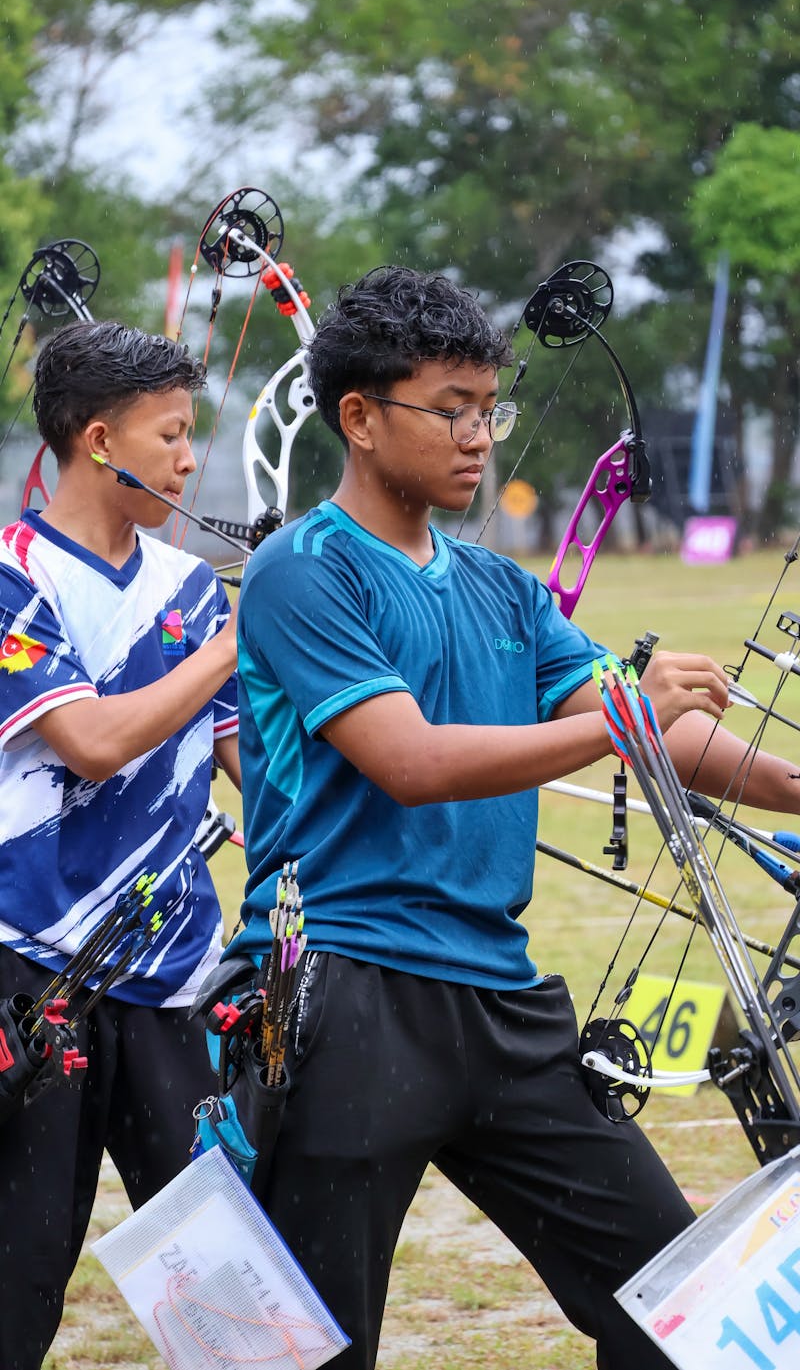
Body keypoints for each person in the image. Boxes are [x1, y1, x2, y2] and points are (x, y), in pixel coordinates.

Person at [231, 266, 800, 1369]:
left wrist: (785, 782)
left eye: (488, 409)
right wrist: (625, 720)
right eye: (449, 409)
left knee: (676, 1311)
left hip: (500, 1002)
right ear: (359, 417)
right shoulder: (300, 573)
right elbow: (410, 760)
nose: (478, 436)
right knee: (311, 1351)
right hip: (348, 999)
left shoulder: (503, 589)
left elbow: (644, 728)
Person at [0, 321, 240, 1370]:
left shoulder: (192, 588)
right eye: (171, 435)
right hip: (33, 969)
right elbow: (92, 742)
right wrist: (233, 644)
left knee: (227, 1274)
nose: (189, 460)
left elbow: (253, 765)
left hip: (174, 974)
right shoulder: (13, 577)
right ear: (100, 441)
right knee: (20, 1270)